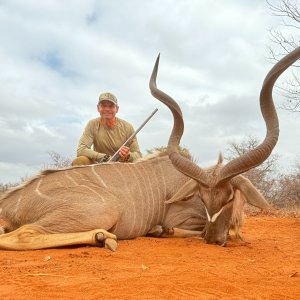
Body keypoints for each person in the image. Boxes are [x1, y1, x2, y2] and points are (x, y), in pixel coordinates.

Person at [72, 92, 142, 166]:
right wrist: (104, 157)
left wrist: (128, 156)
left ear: (117, 109)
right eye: (103, 106)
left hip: (122, 168)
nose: (107, 109)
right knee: (80, 160)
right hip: (100, 166)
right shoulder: (92, 124)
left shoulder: (128, 127)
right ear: (98, 108)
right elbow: (81, 150)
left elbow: (138, 155)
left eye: (111, 106)